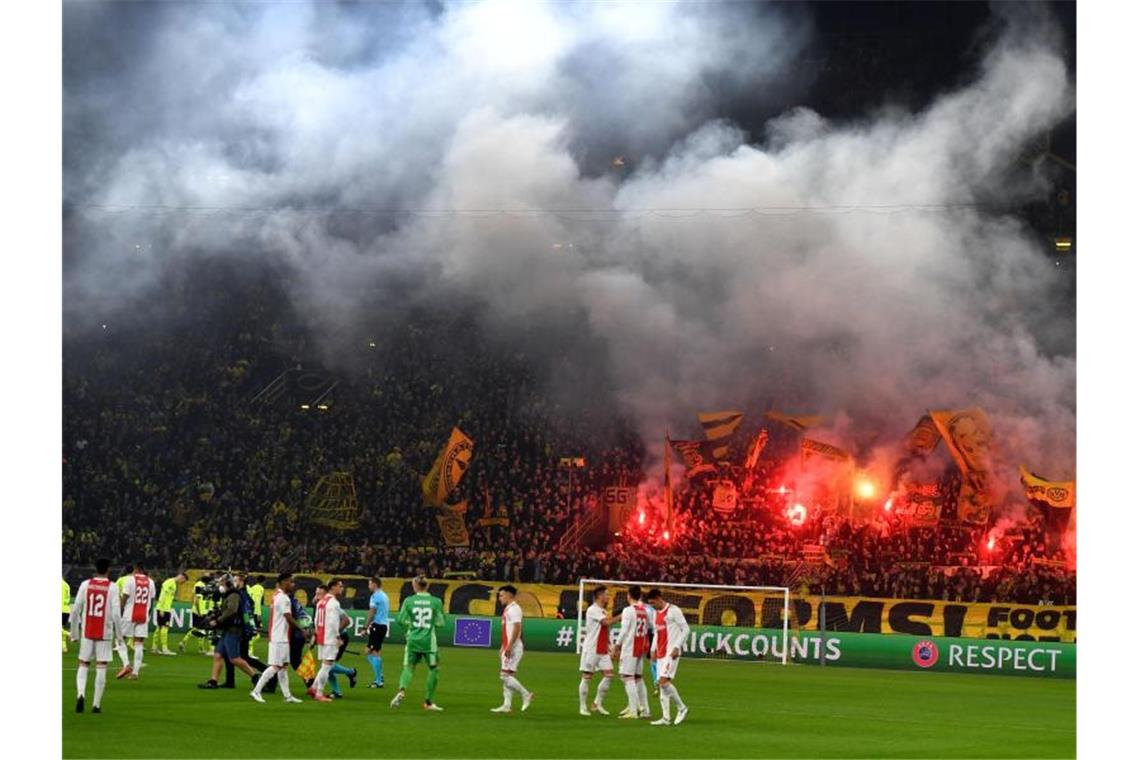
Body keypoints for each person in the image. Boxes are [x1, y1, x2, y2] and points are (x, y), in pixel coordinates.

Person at [70, 558, 122, 713]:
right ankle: (96, 704)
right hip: (104, 633)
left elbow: (76, 609)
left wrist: (74, 633)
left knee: (83, 663)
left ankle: (80, 694)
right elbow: (117, 614)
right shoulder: (112, 587)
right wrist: (119, 637)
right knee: (101, 666)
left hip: (87, 631)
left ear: (95, 568)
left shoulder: (85, 585)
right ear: (109, 570)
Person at [390, 576, 446, 711]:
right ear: (427, 586)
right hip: (429, 642)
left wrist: (412, 624)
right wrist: (429, 624)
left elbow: (400, 620)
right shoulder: (436, 601)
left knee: (408, 667)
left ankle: (402, 691)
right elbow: (441, 623)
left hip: (412, 640)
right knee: (434, 669)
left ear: (415, 586)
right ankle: (428, 702)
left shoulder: (409, 601)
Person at [250, 572, 306, 704]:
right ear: (284, 582)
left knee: (284, 667)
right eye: (291, 582)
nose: (293, 584)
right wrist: (301, 630)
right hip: (279, 637)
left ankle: (287, 696)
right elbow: (288, 617)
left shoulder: (278, 596)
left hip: (281, 636)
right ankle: (256, 691)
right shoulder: (283, 598)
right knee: (275, 666)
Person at [199, 575, 259, 689]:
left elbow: (231, 610)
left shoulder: (233, 595)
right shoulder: (231, 594)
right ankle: (213, 681)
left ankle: (256, 677)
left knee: (234, 659)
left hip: (233, 630)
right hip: (228, 630)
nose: (220, 586)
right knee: (218, 655)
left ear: (227, 584)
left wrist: (217, 620)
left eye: (221, 584)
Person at [646, 588, 691, 725]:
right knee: (662, 686)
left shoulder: (674, 611)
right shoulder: (655, 614)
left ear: (660, 598)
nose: (652, 606)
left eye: (653, 603)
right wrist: (653, 649)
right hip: (660, 654)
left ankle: (682, 708)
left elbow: (686, 629)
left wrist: (677, 646)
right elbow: (657, 633)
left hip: (671, 653)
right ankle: (666, 718)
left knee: (663, 682)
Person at [491, 584, 534, 713]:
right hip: (509, 645)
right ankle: (507, 705)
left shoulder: (514, 609)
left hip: (513, 646)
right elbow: (507, 630)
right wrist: (503, 646)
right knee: (508, 676)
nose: (500, 598)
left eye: (501, 595)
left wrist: (509, 646)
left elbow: (516, 628)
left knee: (504, 676)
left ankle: (525, 694)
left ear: (509, 595)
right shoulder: (509, 609)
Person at [578, 586, 620, 716]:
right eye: (606, 595)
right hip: (591, 649)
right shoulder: (592, 610)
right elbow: (606, 623)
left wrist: (610, 645)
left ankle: (597, 703)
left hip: (602, 649)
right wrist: (622, 616)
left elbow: (605, 630)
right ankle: (583, 706)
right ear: (599, 596)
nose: (608, 597)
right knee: (587, 677)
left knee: (609, 676)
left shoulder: (602, 610)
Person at [614, 585, 652, 719]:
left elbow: (624, 630)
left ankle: (633, 710)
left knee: (627, 677)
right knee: (638, 679)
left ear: (629, 595)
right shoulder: (644, 611)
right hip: (640, 648)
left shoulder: (628, 611)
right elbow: (649, 628)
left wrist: (617, 645)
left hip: (630, 648)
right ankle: (645, 709)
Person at [311, 580, 350, 702]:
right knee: (327, 666)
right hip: (330, 637)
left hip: (322, 637)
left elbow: (316, 620)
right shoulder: (333, 603)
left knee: (324, 665)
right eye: (340, 586)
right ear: (333, 587)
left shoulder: (320, 602)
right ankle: (319, 693)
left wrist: (316, 635)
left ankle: (313, 688)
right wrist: (338, 637)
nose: (342, 588)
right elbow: (333, 622)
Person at [117, 564, 156, 679]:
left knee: (119, 639)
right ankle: (135, 673)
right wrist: (148, 613)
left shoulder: (130, 580)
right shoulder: (151, 582)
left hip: (129, 614)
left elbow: (124, 597)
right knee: (138, 643)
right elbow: (152, 600)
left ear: (136, 569)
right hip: (143, 614)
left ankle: (126, 665)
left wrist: (119, 612)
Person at [151, 571, 185, 655]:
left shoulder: (173, 584)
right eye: (183, 581)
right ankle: (164, 648)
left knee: (159, 627)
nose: (182, 583)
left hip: (165, 608)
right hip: (164, 609)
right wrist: (162, 609)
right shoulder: (169, 582)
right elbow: (163, 595)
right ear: (181, 577)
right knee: (165, 627)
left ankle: (154, 647)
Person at [364, 576, 389, 688]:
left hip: (378, 626)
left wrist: (365, 627)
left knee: (373, 652)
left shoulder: (375, 596)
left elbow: (372, 612)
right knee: (370, 652)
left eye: (370, 584)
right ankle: (380, 676)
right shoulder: (384, 595)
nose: (369, 586)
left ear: (374, 584)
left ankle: (379, 680)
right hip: (382, 626)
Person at [178, 573, 212, 654]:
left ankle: (198, 647)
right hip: (199, 611)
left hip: (200, 610)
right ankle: (185, 642)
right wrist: (199, 611)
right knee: (200, 629)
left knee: (199, 629)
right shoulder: (200, 585)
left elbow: (193, 597)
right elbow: (196, 600)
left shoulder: (199, 584)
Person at [246, 575, 266, 657]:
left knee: (247, 631)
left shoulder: (252, 588)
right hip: (253, 613)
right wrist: (258, 615)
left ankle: (245, 651)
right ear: (264, 582)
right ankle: (249, 652)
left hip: (246, 613)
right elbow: (257, 601)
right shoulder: (260, 588)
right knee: (255, 634)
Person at [62, 578, 71, 654]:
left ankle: (69, 634)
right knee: (61, 628)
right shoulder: (66, 585)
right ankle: (64, 646)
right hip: (66, 610)